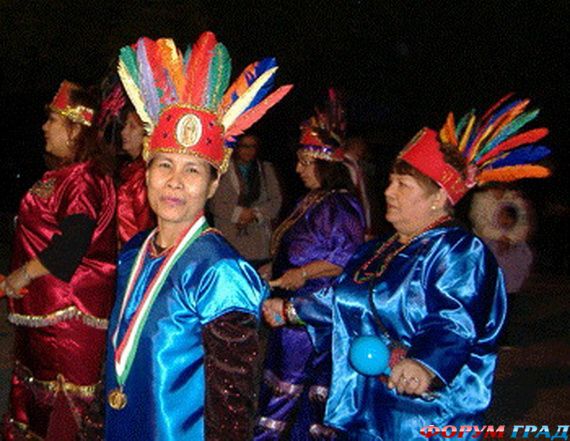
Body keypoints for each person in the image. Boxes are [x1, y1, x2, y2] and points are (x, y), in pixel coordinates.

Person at [263, 95, 551, 440]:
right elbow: (344, 298)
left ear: (438, 200)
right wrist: (292, 309)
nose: (388, 192)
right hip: (366, 407)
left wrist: (425, 363)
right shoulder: (377, 249)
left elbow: (453, 321)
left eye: (403, 185)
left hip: (424, 416)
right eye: (389, 182)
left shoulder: (458, 251)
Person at [104, 33, 292, 440]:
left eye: (192, 170)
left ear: (211, 186)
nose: (174, 182)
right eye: (164, 165)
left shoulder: (219, 271)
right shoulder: (135, 251)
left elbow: (232, 403)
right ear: (147, 172)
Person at [0, 81, 117, 440]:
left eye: (52, 119)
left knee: (62, 417)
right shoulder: (64, 176)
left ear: (75, 126)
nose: (44, 127)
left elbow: (70, 249)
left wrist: (21, 275)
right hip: (44, 316)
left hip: (68, 320)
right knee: (37, 406)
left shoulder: (82, 180)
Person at [255, 91, 365, 440]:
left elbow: (345, 260)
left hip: (310, 316)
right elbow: (299, 246)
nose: (298, 168)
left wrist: (301, 274)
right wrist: (275, 266)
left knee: (290, 388)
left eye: (305, 162)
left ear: (325, 164)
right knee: (286, 386)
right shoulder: (312, 200)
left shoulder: (342, 206)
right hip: (289, 312)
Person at [209, 133, 282, 267]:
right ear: (236, 147)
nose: (248, 150)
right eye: (244, 146)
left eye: (252, 147)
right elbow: (214, 203)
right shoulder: (222, 169)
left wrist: (254, 213)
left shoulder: (265, 169)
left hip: (259, 241)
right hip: (230, 238)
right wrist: (240, 213)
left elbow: (276, 201)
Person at [116, 107, 155, 247]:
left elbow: (146, 230)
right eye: (125, 125)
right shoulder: (129, 169)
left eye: (132, 127)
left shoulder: (143, 176)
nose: (123, 132)